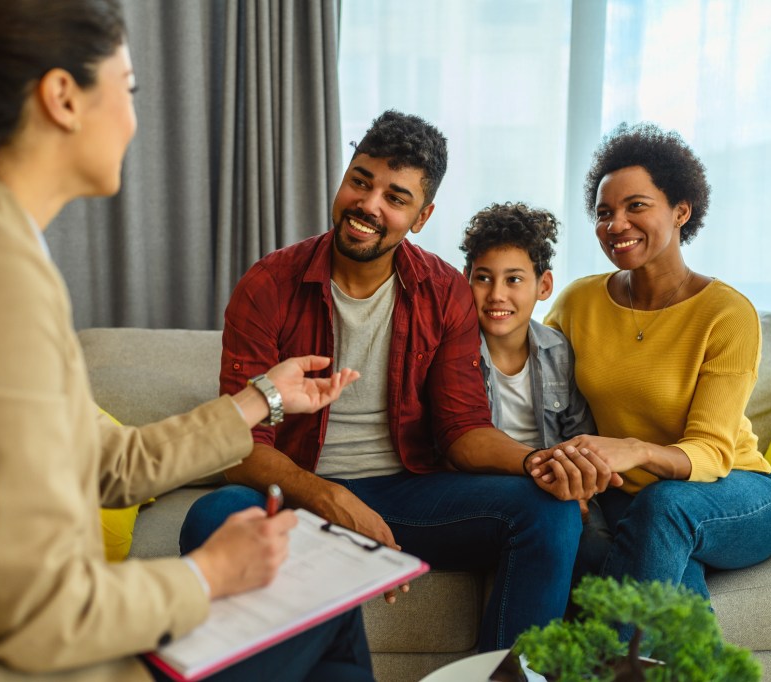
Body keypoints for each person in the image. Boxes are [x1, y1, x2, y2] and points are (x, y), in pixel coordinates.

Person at [0, 2, 372, 681]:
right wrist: (208, 575)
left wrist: (263, 398)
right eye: (128, 88)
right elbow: (31, 611)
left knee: (328, 599)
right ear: (62, 98)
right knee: (327, 604)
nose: (135, 118)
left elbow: (108, 462)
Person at [180, 111, 622, 651]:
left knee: (549, 512)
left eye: (395, 197)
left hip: (407, 496)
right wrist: (329, 496)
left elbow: (462, 430)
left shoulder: (444, 291)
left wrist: (535, 462)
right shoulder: (268, 285)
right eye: (360, 182)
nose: (369, 205)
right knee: (212, 515)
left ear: (421, 216)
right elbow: (239, 445)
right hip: (298, 490)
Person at [543, 122, 771, 601]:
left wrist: (636, 450)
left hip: (739, 491)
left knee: (663, 508)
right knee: (662, 556)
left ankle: (602, 653)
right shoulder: (578, 302)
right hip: (630, 497)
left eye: (636, 206)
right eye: (604, 212)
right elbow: (534, 387)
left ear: (681, 211)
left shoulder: (726, 313)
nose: (615, 224)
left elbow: (711, 451)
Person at [459, 203, 610, 583]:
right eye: (483, 278)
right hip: (489, 486)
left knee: (596, 546)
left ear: (543, 286)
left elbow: (579, 436)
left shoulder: (559, 352)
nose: (497, 294)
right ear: (465, 280)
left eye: (513, 279)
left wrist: (579, 492)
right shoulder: (456, 355)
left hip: (556, 479)